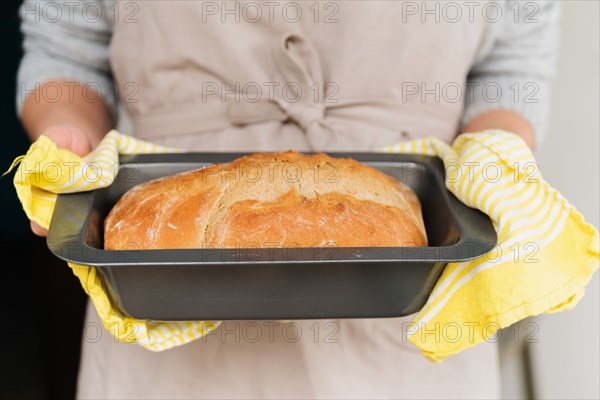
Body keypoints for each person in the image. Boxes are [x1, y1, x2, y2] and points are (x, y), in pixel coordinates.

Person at [17, 1, 559, 398]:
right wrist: (68, 136)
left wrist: (494, 157)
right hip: (159, 309)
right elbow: (63, 50)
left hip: (413, 322)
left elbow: (510, 71)